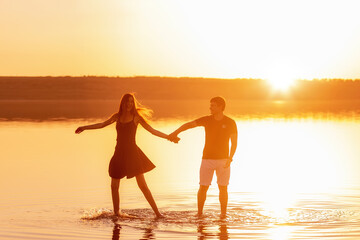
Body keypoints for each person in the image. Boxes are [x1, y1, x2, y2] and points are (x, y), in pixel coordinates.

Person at [75, 93, 179, 218]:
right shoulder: (117, 117)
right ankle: (116, 213)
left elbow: (152, 131)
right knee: (114, 186)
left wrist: (169, 137)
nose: (129, 104)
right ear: (122, 103)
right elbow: (102, 124)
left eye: (131, 102)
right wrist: (84, 127)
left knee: (143, 186)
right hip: (118, 153)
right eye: (126, 102)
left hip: (133, 154)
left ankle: (158, 213)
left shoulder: (136, 118)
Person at [169, 96, 237, 218]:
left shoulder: (230, 122)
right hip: (207, 159)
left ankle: (223, 215)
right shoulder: (207, 120)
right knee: (203, 187)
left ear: (221, 107)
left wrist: (230, 158)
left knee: (223, 188)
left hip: (224, 161)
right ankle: (199, 213)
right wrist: (175, 133)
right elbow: (189, 125)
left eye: (213, 105)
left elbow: (234, 142)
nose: (210, 107)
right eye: (210, 105)